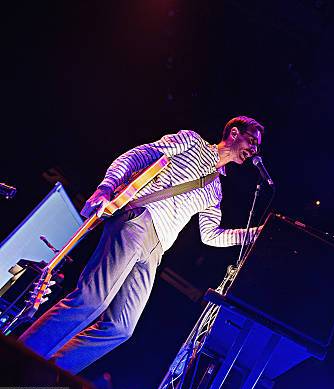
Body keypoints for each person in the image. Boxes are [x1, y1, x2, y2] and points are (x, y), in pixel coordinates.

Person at [19, 116, 264, 374]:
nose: (254, 150)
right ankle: (20, 360)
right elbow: (137, 156)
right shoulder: (192, 141)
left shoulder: (215, 190)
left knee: (121, 327)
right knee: (92, 299)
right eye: (252, 141)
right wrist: (106, 187)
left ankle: (47, 374)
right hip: (139, 220)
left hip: (156, 249)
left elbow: (211, 235)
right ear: (234, 133)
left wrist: (254, 234)